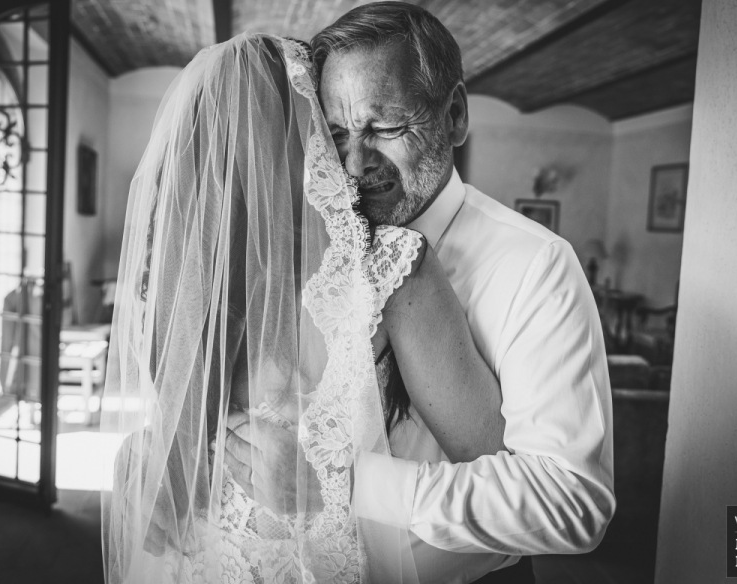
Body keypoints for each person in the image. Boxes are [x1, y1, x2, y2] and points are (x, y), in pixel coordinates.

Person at [230, 3, 616, 583]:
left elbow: (573, 504)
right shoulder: (313, 250)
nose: (356, 165)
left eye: (386, 128)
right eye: (337, 135)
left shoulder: (535, 264)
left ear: (455, 115)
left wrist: (346, 485)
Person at [102, 32, 508, 584]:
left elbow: (502, 483)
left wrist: (338, 484)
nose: (342, 149)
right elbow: (178, 429)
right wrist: (148, 453)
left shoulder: (388, 269)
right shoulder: (384, 267)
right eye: (329, 124)